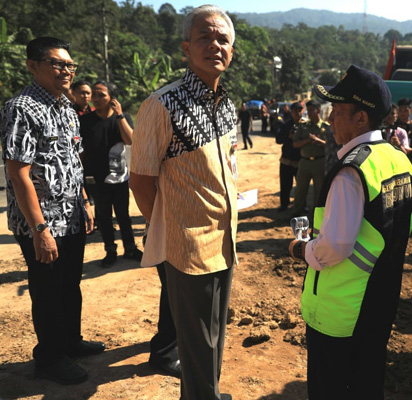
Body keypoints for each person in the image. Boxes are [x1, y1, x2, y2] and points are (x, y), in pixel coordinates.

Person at [129, 5, 237, 400]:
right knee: (195, 340)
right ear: (186, 48)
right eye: (205, 37)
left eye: (222, 39)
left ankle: (204, 393)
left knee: (214, 332)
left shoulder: (225, 103)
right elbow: (140, 179)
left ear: (232, 50)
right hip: (188, 246)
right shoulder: (162, 104)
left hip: (225, 240)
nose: (215, 45)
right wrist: (170, 227)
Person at [288, 65, 412, 399]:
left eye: (338, 111)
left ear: (361, 118)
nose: (330, 119)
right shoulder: (397, 159)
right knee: (366, 385)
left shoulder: (351, 171)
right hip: (380, 302)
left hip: (342, 312)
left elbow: (335, 246)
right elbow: (402, 228)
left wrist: (302, 250)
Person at [0, 36, 104, 385]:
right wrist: (40, 229)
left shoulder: (66, 106)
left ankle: (70, 342)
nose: (66, 71)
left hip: (72, 215)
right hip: (42, 222)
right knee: (47, 289)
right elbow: (18, 172)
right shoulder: (21, 108)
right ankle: (50, 356)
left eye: (70, 65)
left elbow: (74, 160)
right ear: (33, 66)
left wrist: (85, 201)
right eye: (57, 64)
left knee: (70, 284)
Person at [79, 81, 143, 266]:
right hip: (96, 179)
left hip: (119, 177)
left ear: (112, 99)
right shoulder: (86, 121)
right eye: (95, 95)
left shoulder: (121, 119)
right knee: (104, 217)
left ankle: (130, 248)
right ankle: (110, 251)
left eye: (101, 95)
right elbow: (81, 150)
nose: (96, 99)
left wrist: (120, 114)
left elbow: (130, 140)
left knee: (123, 215)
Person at [289, 99, 330, 215]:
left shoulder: (326, 127)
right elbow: (295, 144)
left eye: (311, 110)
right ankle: (297, 213)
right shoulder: (303, 126)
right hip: (304, 163)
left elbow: (331, 146)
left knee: (319, 191)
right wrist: (307, 140)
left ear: (318, 110)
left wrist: (318, 141)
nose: (309, 113)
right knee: (300, 190)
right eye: (308, 110)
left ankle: (316, 217)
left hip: (319, 163)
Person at [275, 101, 303, 212]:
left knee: (301, 186)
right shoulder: (285, 125)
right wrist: (288, 136)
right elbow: (278, 140)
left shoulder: (305, 125)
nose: (298, 113)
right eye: (296, 111)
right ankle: (284, 204)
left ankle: (301, 205)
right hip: (286, 160)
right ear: (291, 112)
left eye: (300, 110)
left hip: (300, 161)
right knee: (285, 185)